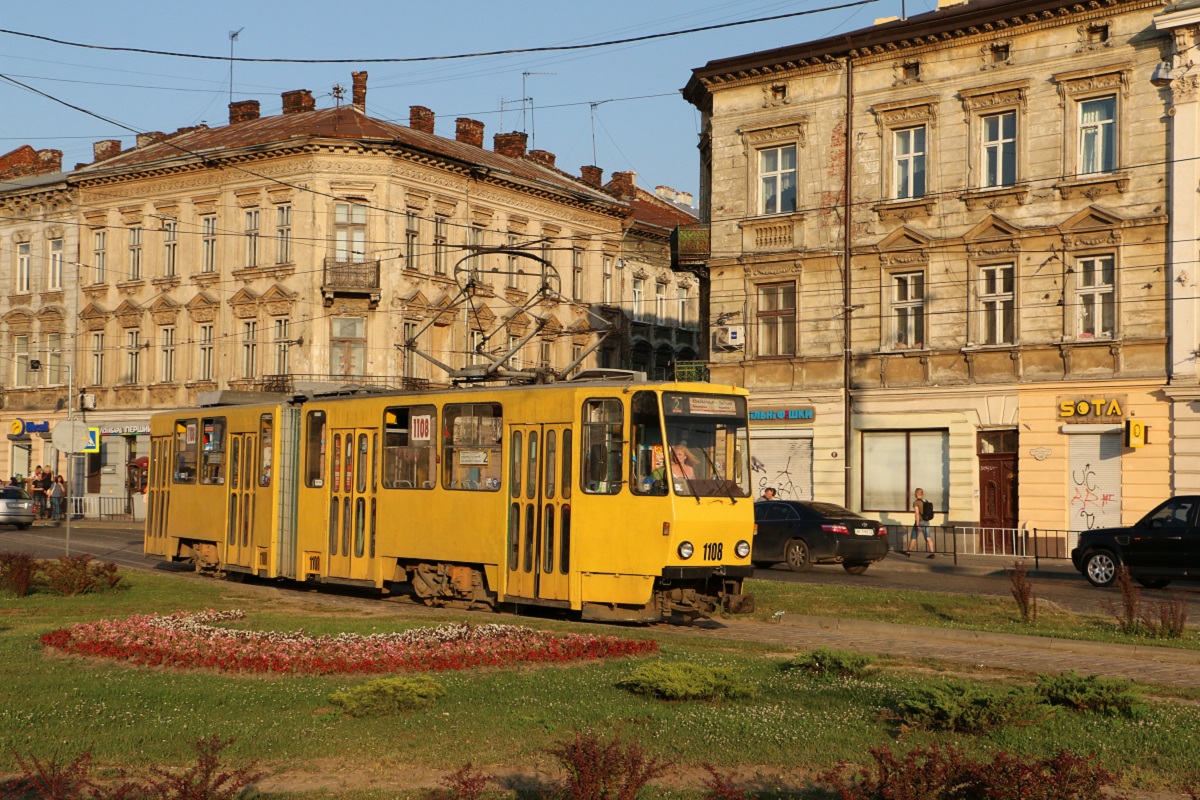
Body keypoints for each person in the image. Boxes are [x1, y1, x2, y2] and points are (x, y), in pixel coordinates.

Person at [908, 487, 935, 558]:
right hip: (926, 521)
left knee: (913, 537)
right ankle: (932, 553)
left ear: (917, 493)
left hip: (919, 522)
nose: (914, 494)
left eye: (914, 492)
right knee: (928, 537)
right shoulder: (925, 501)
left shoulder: (916, 502)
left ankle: (909, 552)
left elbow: (917, 514)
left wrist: (917, 524)